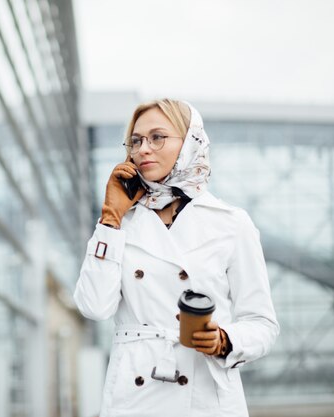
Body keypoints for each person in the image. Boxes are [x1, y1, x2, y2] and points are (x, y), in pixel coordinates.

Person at [73, 99, 279, 417]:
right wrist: (110, 218)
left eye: (157, 137)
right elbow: (94, 307)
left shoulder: (231, 222)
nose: (144, 149)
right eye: (136, 140)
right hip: (135, 397)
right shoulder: (118, 226)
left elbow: (262, 324)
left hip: (206, 397)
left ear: (190, 143)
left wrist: (224, 340)